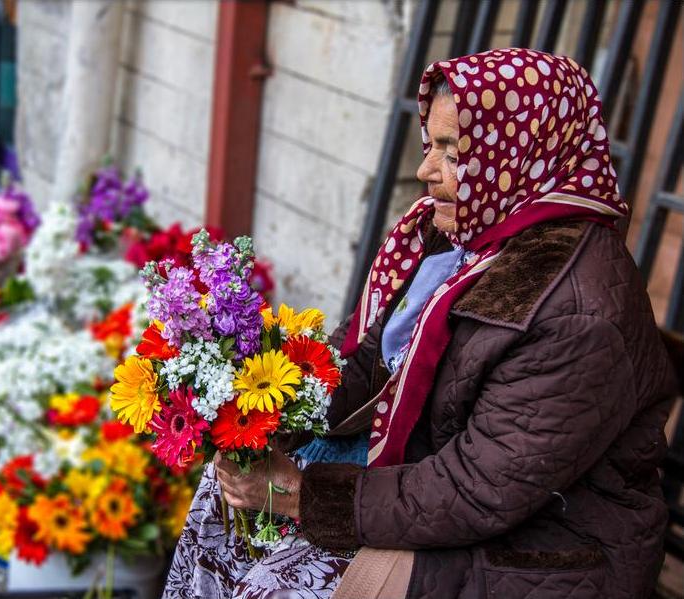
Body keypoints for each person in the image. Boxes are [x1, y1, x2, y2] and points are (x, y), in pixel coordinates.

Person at [161, 48, 679, 599]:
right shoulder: (458, 233)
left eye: (453, 153)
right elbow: (366, 357)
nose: (425, 170)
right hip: (423, 476)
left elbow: (478, 488)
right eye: (430, 144)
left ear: (524, 154)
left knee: (278, 587)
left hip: (541, 548)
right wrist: (262, 414)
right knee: (222, 502)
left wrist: (299, 494)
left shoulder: (576, 310)